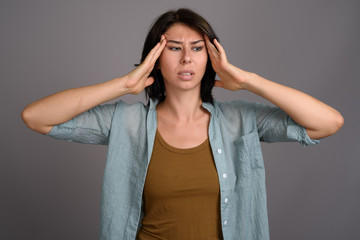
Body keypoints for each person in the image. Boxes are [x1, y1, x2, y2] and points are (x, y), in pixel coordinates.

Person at [21, 8, 343, 240]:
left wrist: (247, 80)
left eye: (197, 48)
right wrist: (123, 85)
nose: (186, 58)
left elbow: (327, 123)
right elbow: (36, 117)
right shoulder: (127, 122)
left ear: (211, 57)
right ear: (156, 58)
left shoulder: (240, 120)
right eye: (174, 48)